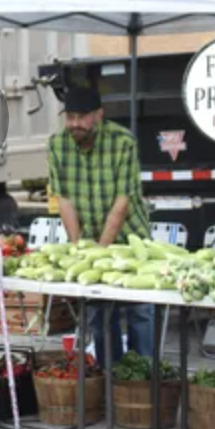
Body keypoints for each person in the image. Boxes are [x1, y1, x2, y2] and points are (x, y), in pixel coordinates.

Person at [47, 85, 153, 368]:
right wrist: (77, 247)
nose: (75, 124)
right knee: (99, 315)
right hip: (91, 240)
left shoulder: (123, 142)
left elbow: (122, 203)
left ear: (99, 115)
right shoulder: (57, 145)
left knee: (139, 312)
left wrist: (101, 252)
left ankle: (144, 379)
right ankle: (111, 377)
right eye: (70, 117)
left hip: (131, 241)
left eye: (82, 117)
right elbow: (64, 200)